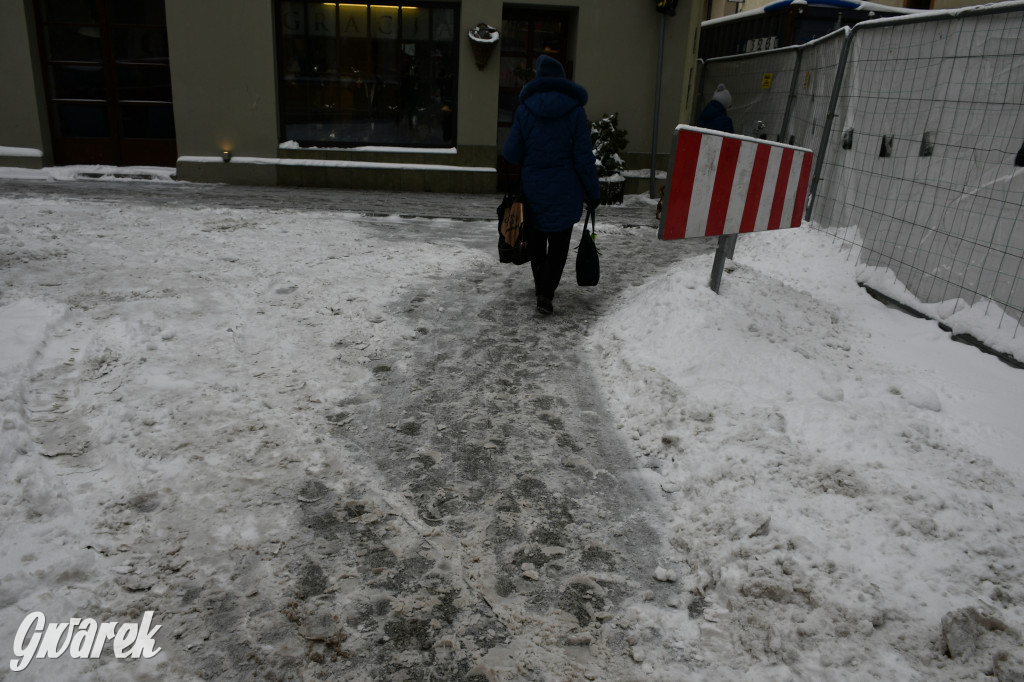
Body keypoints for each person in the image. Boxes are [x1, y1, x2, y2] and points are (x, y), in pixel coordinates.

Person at [503, 55, 601, 315]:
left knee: (537, 244)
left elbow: (511, 152)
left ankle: (541, 290)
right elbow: (583, 158)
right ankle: (546, 293)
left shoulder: (525, 110)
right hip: (566, 190)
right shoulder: (576, 112)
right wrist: (592, 192)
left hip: (534, 189)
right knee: (559, 246)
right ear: (561, 80)